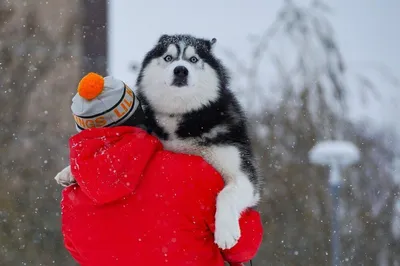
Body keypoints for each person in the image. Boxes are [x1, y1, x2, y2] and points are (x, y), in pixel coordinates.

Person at [59, 73, 263, 266]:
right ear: (139, 114)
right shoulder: (193, 173)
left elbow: (82, 255)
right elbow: (243, 246)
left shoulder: (73, 200)